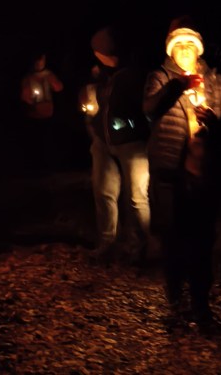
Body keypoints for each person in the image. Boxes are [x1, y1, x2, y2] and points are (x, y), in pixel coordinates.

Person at [143, 16, 221, 329]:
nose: (184, 49)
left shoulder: (217, 82)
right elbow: (150, 109)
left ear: (198, 50)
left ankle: (200, 303)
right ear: (170, 50)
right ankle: (175, 295)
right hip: (171, 172)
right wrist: (176, 86)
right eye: (178, 44)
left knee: (202, 239)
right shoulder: (160, 78)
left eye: (189, 44)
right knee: (173, 237)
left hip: (205, 173)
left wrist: (215, 122)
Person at [81, 25, 151, 265]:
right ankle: (107, 243)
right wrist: (93, 121)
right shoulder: (101, 75)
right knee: (103, 192)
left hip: (132, 144)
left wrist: (126, 123)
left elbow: (145, 111)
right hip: (104, 142)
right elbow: (100, 106)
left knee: (137, 198)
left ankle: (141, 247)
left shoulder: (133, 75)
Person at [20, 50, 64, 171]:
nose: (39, 64)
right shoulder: (28, 78)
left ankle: (50, 166)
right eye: (37, 62)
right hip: (34, 115)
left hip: (48, 113)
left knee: (49, 141)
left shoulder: (48, 75)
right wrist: (29, 99)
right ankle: (38, 167)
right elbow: (24, 96)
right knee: (36, 143)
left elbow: (59, 87)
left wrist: (54, 83)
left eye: (41, 62)